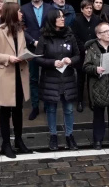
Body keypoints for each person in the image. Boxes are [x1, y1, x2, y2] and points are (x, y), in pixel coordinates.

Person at [0, 2, 32, 159]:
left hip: (20, 74)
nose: (21, 14)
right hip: (5, 76)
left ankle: (19, 140)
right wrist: (8, 58)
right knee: (5, 111)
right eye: (19, 11)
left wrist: (27, 55)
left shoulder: (20, 30)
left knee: (18, 109)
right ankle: (6, 143)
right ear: (12, 13)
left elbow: (23, 50)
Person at [34, 9, 80, 151]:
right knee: (51, 109)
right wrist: (52, 63)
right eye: (59, 17)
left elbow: (78, 55)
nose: (63, 19)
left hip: (67, 79)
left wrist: (70, 60)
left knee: (69, 109)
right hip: (50, 79)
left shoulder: (69, 35)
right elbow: (38, 58)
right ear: (53, 19)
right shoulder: (44, 37)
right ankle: (53, 135)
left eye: (63, 17)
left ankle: (69, 135)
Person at [21, 0, 53, 120]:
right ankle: (35, 106)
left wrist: (44, 40)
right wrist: (33, 41)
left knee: (46, 77)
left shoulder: (50, 8)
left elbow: (53, 26)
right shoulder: (24, 9)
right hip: (32, 48)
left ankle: (47, 105)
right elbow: (21, 28)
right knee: (33, 78)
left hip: (48, 48)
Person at [72, 0, 100, 113]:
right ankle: (79, 101)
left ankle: (92, 101)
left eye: (90, 8)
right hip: (82, 54)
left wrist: (93, 49)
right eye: (86, 8)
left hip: (94, 54)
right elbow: (75, 37)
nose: (89, 10)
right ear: (82, 10)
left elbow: (99, 35)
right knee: (80, 79)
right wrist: (84, 48)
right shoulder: (76, 21)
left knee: (92, 79)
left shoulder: (97, 20)